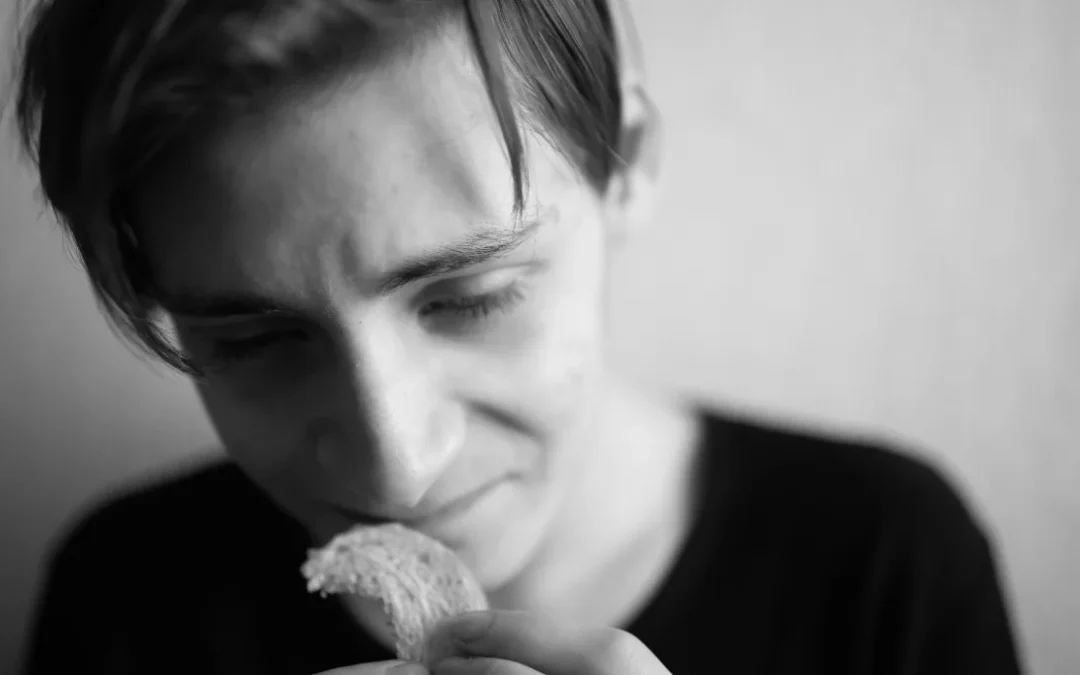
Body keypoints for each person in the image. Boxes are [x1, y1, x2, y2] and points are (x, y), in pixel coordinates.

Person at [12, 0, 1024, 673]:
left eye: (471, 297)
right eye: (255, 340)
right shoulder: (126, 596)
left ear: (626, 166)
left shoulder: (884, 565)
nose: (398, 470)